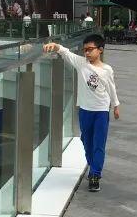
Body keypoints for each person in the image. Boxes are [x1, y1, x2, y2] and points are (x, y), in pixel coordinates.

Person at [43, 34, 120, 191]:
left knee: (99, 143)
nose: (87, 53)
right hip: (85, 110)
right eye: (85, 50)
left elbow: (111, 88)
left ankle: (95, 174)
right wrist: (55, 46)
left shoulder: (107, 69)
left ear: (100, 50)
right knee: (86, 140)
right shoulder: (81, 63)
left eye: (90, 49)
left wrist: (116, 105)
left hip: (101, 111)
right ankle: (92, 166)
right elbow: (65, 53)